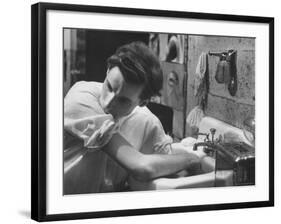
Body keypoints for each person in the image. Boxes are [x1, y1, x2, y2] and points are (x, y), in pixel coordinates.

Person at [64, 41, 201, 194]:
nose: (108, 102)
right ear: (108, 70)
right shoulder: (81, 97)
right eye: (109, 87)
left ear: (142, 102)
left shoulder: (147, 122)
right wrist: (191, 159)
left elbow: (164, 166)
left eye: (123, 100)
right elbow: (142, 167)